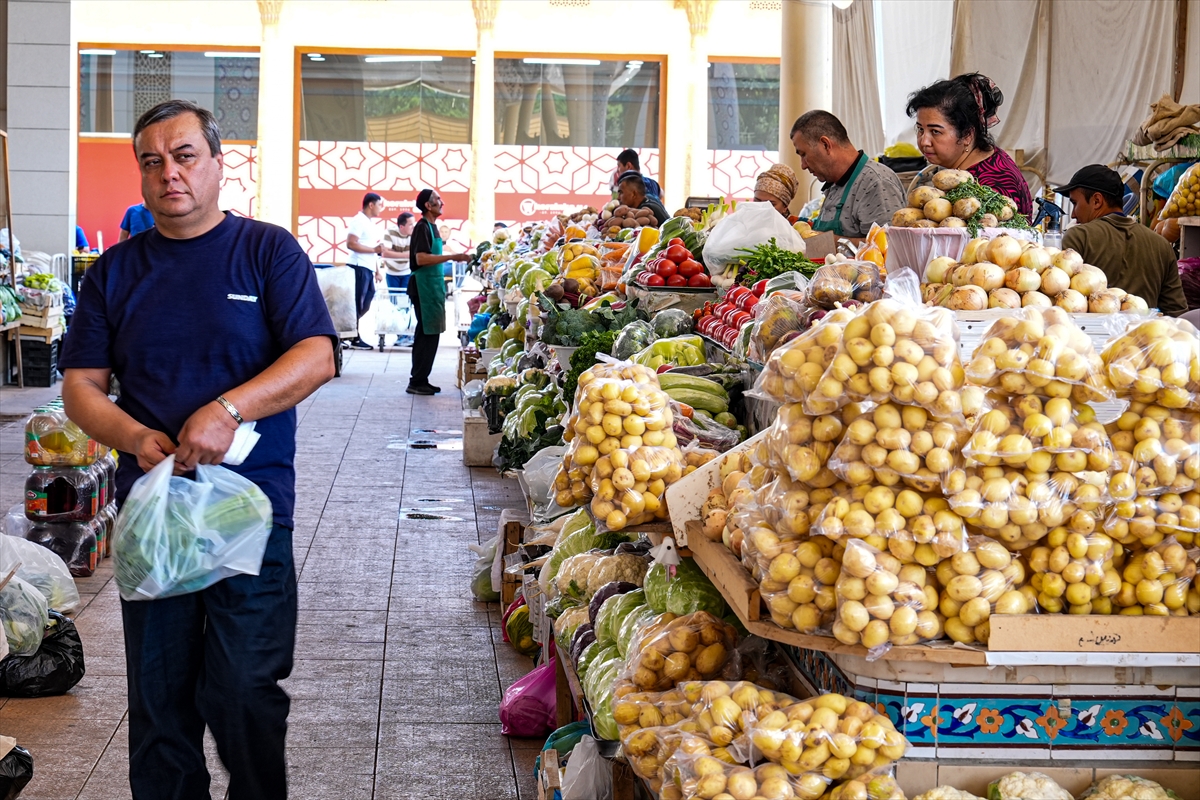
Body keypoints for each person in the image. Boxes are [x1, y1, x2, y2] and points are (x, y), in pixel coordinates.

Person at [58, 99, 336, 799]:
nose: (168, 173)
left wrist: (228, 408)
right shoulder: (114, 273)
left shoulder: (267, 250)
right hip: (156, 517)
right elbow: (82, 385)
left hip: (252, 511)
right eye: (151, 161)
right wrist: (130, 435)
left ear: (218, 163)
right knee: (160, 705)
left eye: (184, 156)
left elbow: (317, 355)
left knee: (245, 689)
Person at [1055, 164, 1187, 317]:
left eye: (1075, 203)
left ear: (1097, 201)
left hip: (1089, 337)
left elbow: (1064, 303)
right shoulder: (1161, 245)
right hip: (1143, 337)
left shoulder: (1078, 236)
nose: (1073, 214)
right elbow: (1177, 313)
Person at [905, 73, 1033, 218]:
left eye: (935, 131)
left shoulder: (988, 188)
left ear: (967, 135)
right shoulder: (985, 160)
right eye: (921, 129)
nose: (924, 141)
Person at [790, 111, 905, 237]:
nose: (803, 165)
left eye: (803, 154)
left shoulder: (876, 182)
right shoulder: (835, 183)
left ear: (825, 145)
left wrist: (824, 241)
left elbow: (888, 245)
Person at [408, 188, 470, 395]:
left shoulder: (433, 227)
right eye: (438, 199)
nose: (442, 203)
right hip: (423, 287)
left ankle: (421, 378)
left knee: (431, 335)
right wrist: (453, 257)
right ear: (428, 205)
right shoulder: (421, 227)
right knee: (425, 335)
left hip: (433, 287)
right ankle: (417, 380)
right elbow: (421, 258)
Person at [344, 192, 389, 350]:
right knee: (357, 303)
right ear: (371, 204)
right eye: (379, 205)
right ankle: (353, 336)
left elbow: (373, 250)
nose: (380, 208)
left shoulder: (369, 223)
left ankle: (348, 332)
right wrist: (373, 249)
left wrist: (377, 270)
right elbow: (351, 243)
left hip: (368, 267)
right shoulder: (359, 220)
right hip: (358, 266)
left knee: (366, 303)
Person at [382, 211, 416, 346]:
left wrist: (395, 254)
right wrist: (406, 255)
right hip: (392, 272)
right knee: (395, 303)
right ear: (401, 226)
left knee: (406, 302)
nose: (413, 227)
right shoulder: (390, 233)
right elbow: (384, 253)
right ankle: (400, 334)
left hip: (407, 272)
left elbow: (415, 254)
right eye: (410, 225)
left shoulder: (414, 235)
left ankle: (406, 334)